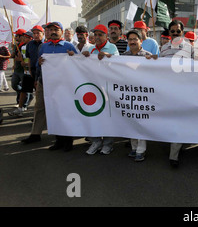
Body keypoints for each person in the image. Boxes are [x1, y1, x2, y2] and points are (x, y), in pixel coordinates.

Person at [24, 22, 77, 150]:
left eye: (56, 30)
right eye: (51, 29)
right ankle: (49, 137)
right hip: (45, 82)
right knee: (42, 108)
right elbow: (38, 63)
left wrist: (73, 56)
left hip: (63, 85)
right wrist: (39, 69)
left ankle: (67, 140)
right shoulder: (44, 46)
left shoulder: (69, 46)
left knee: (62, 111)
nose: (53, 32)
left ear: (61, 32)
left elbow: (78, 63)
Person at [160, 20, 194, 167]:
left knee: (179, 122)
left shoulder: (190, 48)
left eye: (177, 31)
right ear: (169, 32)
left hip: (183, 91)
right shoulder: (163, 48)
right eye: (172, 31)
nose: (175, 33)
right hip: (166, 91)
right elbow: (157, 68)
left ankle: (174, 156)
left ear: (182, 32)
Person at [82, 24, 119, 155]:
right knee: (93, 115)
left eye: (100, 35)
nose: (97, 37)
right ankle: (96, 141)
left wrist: (108, 56)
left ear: (106, 36)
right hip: (93, 88)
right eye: (95, 35)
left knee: (107, 116)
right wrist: (83, 56)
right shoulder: (91, 49)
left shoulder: (112, 47)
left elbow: (118, 64)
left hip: (107, 88)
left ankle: (108, 144)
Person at [122, 29, 157, 162]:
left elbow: (155, 72)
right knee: (131, 120)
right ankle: (134, 147)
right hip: (128, 94)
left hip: (142, 94)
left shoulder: (147, 56)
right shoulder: (123, 57)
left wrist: (154, 60)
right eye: (129, 39)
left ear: (140, 41)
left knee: (141, 121)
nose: (132, 42)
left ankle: (141, 150)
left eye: (134, 39)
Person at [9, 30, 34, 117]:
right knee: (15, 85)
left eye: (25, 37)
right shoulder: (20, 46)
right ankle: (24, 101)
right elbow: (16, 57)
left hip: (29, 71)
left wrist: (25, 63)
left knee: (26, 90)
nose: (16, 37)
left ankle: (23, 106)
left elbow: (32, 59)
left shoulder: (33, 46)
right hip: (21, 70)